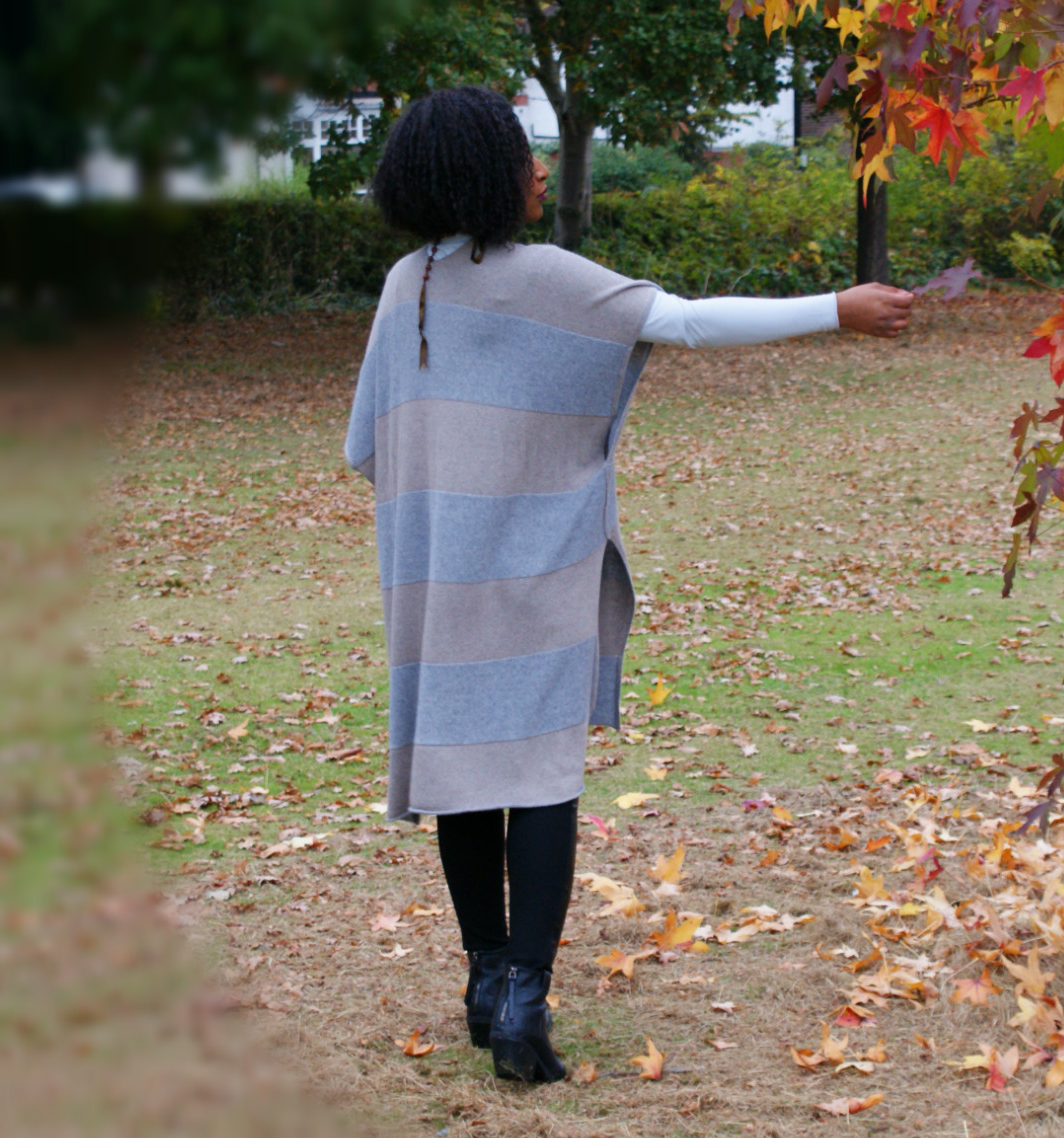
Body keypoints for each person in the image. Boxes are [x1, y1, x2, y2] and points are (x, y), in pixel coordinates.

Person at [343, 85, 914, 1085]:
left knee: (467, 781)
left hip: (437, 584)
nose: (536, 170)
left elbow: (370, 447)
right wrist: (837, 309)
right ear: (486, 173)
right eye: (522, 155)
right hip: (536, 580)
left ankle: (484, 982)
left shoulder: (407, 288)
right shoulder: (552, 280)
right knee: (541, 779)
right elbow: (686, 322)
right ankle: (524, 996)